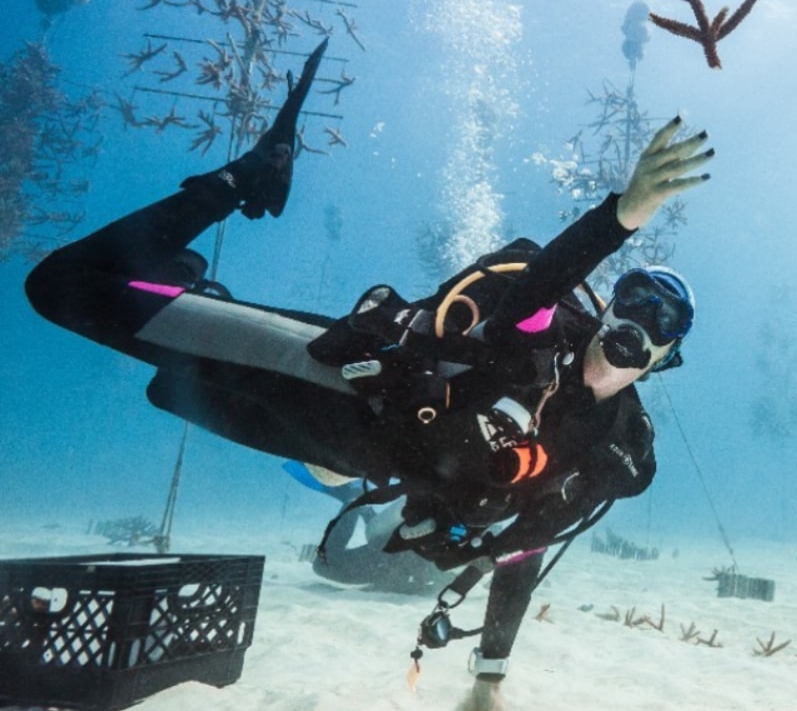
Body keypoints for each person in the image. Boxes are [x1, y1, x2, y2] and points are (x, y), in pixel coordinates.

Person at [24, 40, 713, 709]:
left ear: (667, 357)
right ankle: (245, 177)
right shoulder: (546, 338)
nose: (638, 324)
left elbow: (522, 553)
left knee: (201, 390)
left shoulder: (609, 446)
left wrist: (488, 680)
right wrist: (619, 218)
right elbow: (534, 290)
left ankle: (193, 288)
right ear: (608, 306)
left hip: (348, 452)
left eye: (662, 324)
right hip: (340, 384)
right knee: (64, 286)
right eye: (633, 302)